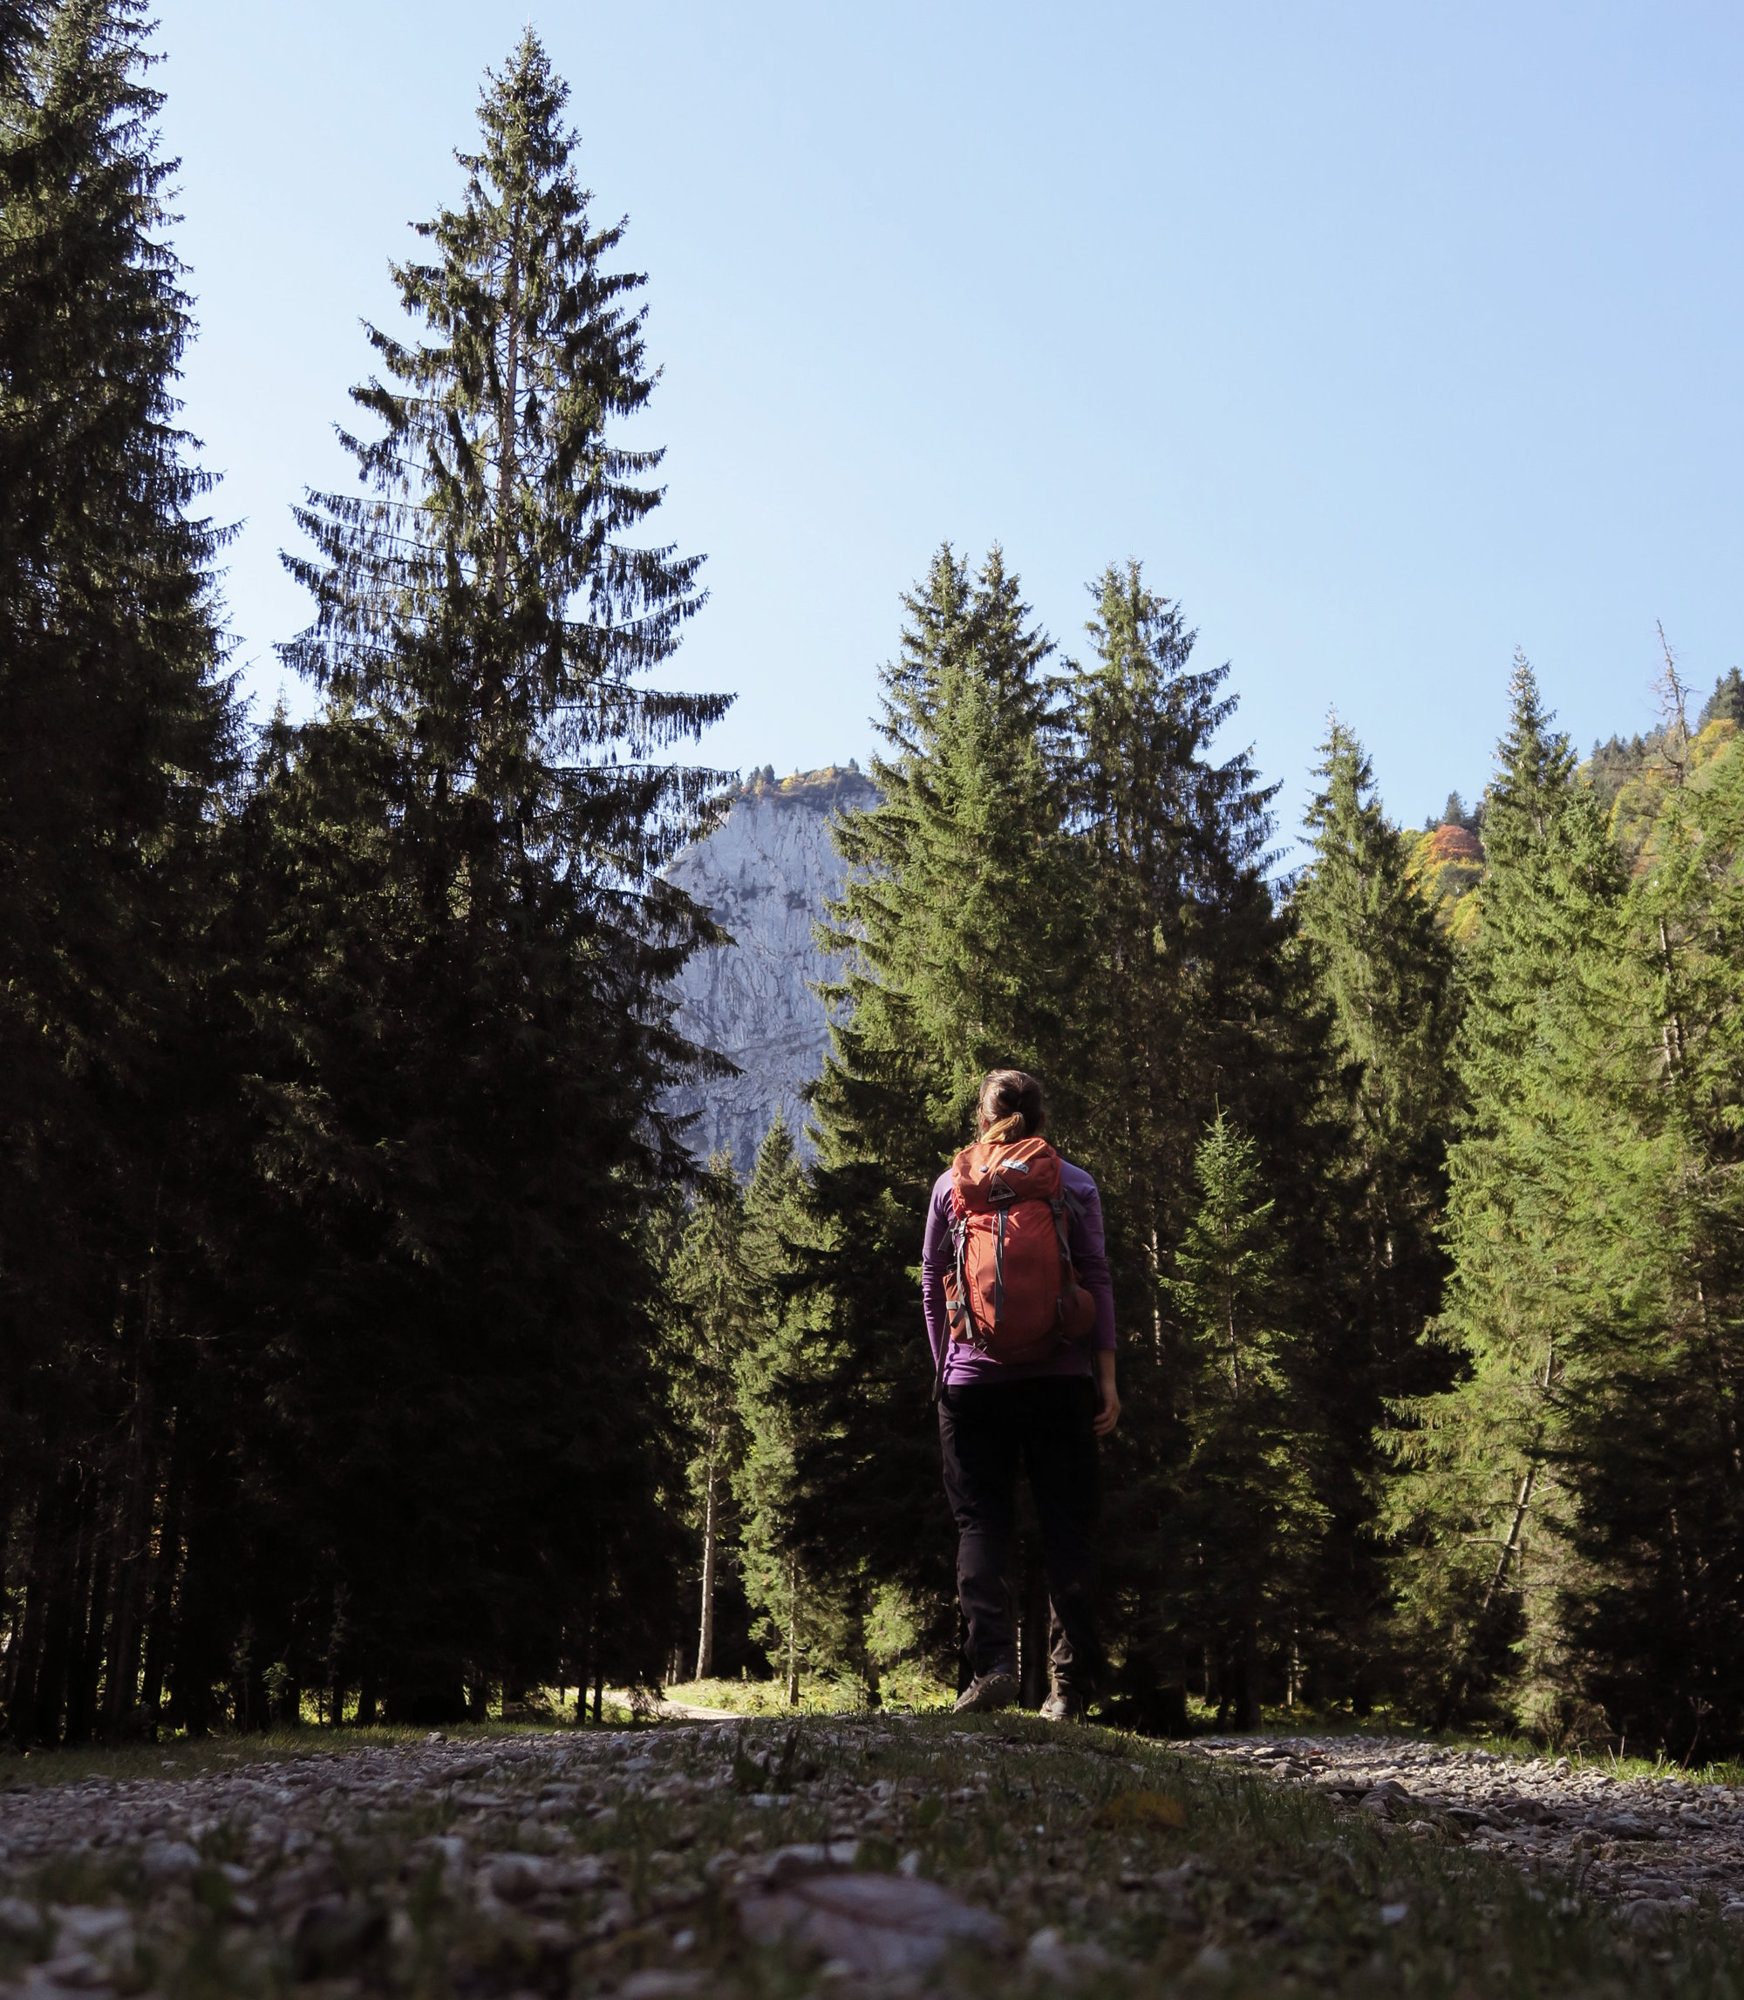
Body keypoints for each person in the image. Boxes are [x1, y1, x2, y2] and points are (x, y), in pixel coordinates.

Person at [921, 1068, 1119, 1719]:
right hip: (1061, 1382)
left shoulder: (953, 1187)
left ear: (983, 1120)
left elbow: (932, 1283)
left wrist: (948, 1367)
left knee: (982, 1525)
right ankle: (1068, 1690)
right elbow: (1097, 1278)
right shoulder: (1075, 1185)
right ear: (1040, 1121)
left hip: (973, 1387)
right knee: (1068, 1530)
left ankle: (993, 1668)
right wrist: (1107, 1380)